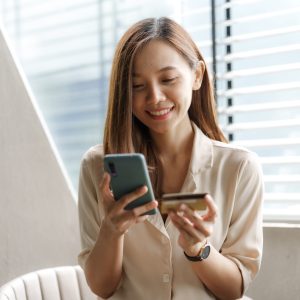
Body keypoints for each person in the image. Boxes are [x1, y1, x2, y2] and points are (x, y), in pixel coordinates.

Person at [78, 17, 263, 300]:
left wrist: (199, 248)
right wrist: (112, 231)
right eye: (137, 86)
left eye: (168, 79)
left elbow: (234, 289)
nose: (154, 97)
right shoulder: (97, 166)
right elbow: (101, 287)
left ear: (197, 76)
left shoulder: (239, 168)